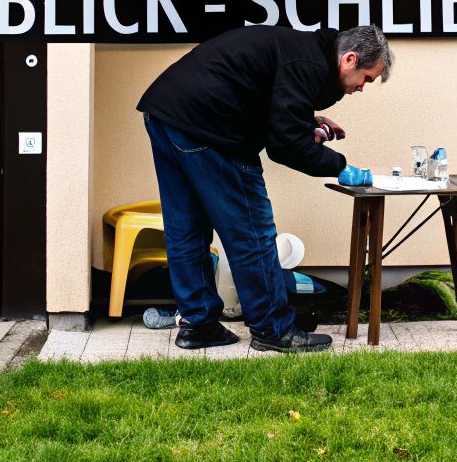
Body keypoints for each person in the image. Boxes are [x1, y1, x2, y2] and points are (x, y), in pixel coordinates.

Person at [137, 23, 392, 353]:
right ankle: (273, 329)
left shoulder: (304, 52)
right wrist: (339, 166)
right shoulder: (309, 64)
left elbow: (266, 93)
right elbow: (284, 145)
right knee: (252, 232)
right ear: (349, 60)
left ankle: (198, 325)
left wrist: (306, 121)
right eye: (367, 78)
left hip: (166, 113)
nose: (362, 88)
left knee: (186, 228)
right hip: (209, 126)